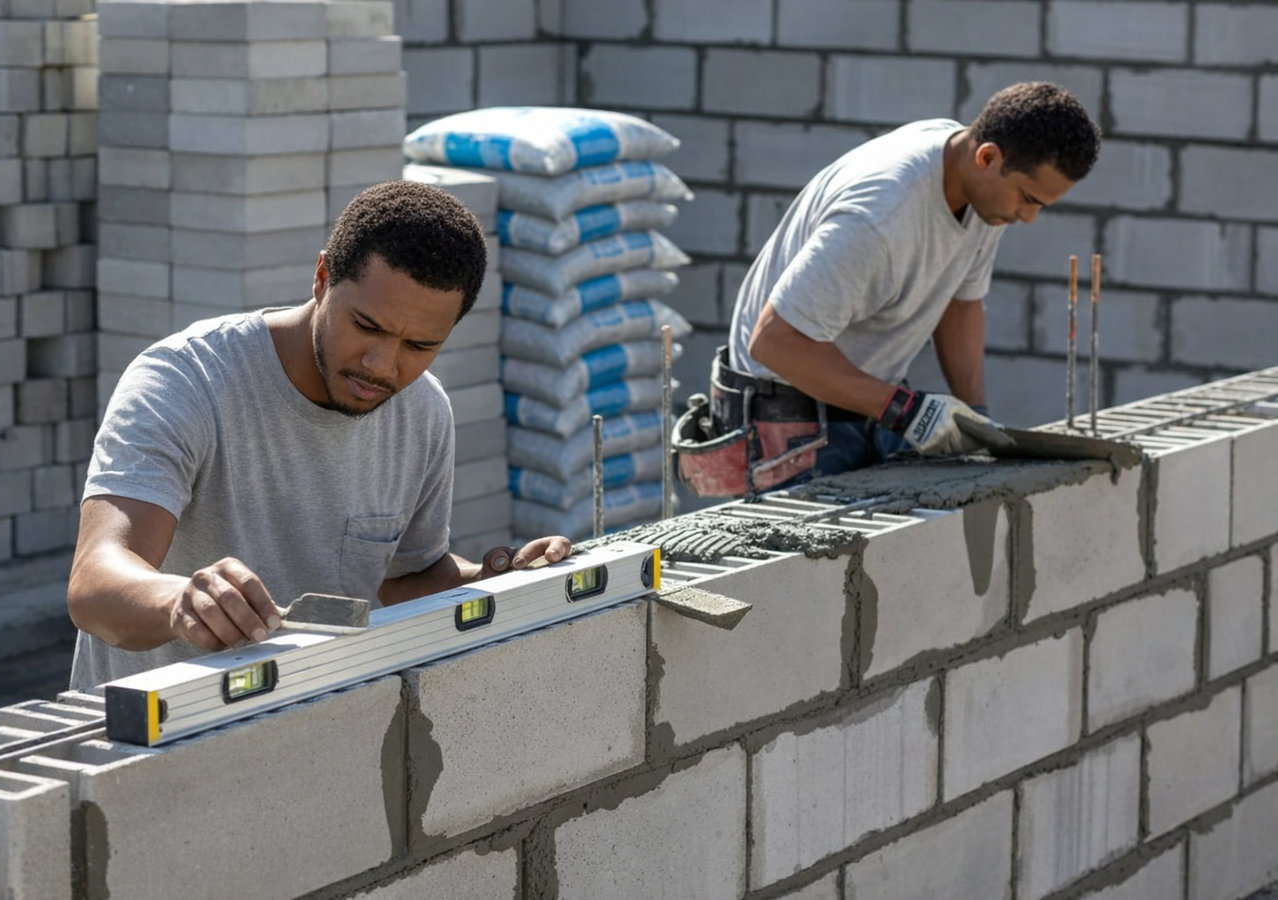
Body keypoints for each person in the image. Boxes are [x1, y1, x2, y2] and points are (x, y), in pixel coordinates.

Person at [67, 180, 570, 690]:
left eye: (419, 345)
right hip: (156, 740)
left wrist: (492, 583)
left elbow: (406, 579)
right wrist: (179, 603)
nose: (382, 366)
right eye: (367, 326)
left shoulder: (422, 411)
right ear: (322, 277)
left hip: (312, 728)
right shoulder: (185, 381)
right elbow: (94, 586)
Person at [675, 82, 1100, 496]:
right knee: (815, 567)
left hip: (865, 407)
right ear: (988, 157)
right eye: (1028, 198)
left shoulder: (981, 190)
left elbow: (960, 302)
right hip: (786, 423)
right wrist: (906, 410)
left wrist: (977, 420)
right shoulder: (879, 216)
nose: (1028, 217)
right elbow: (774, 343)